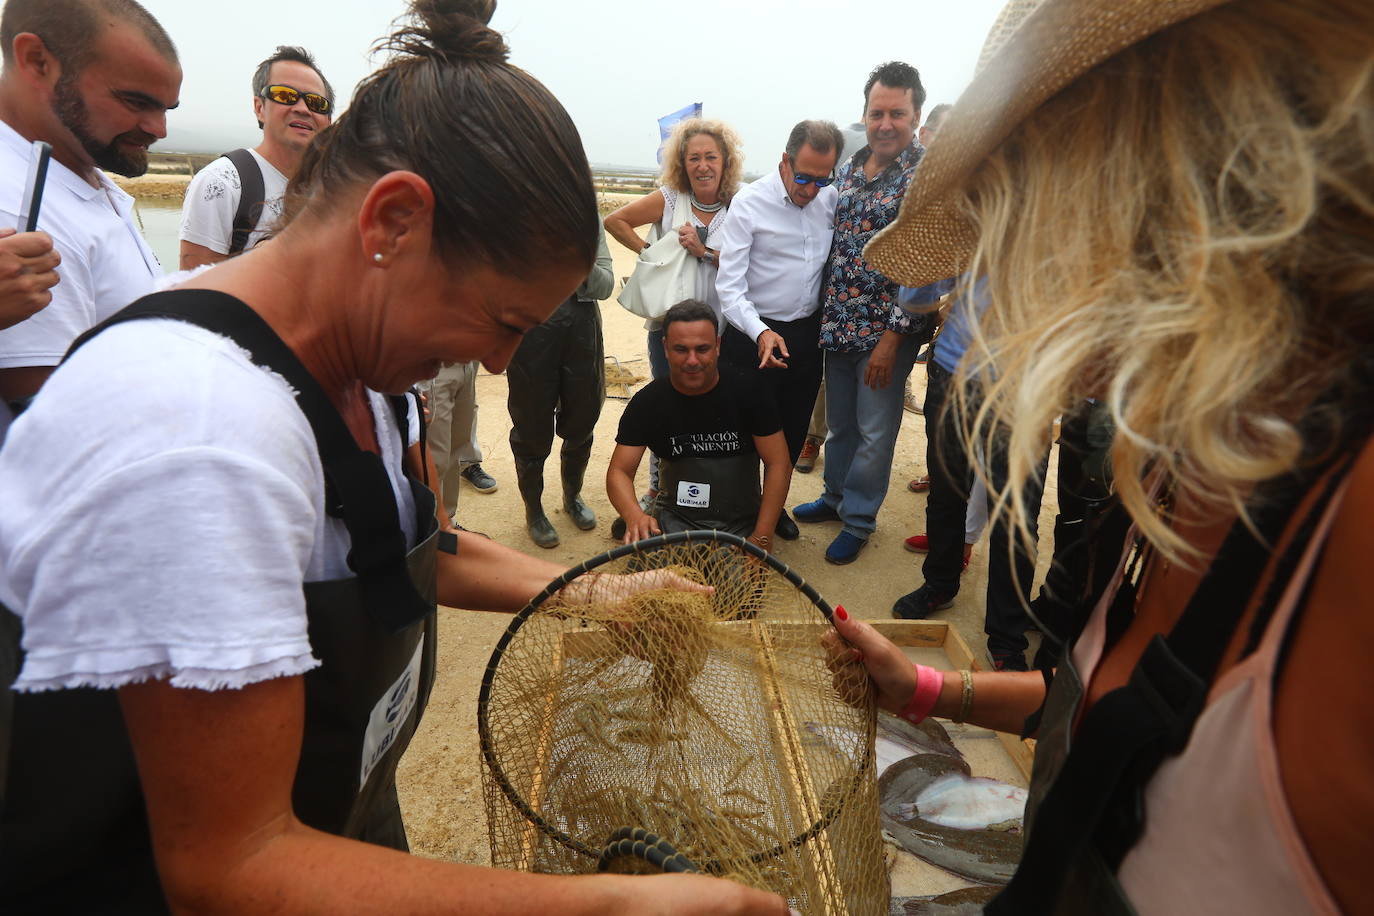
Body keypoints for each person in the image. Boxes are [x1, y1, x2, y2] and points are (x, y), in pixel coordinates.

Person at [0, 3, 787, 913]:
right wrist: (618, 904)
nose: (496, 364)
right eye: (501, 324)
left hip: (338, 812)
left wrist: (595, 589)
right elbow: (232, 864)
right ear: (395, 221)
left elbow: (401, 544)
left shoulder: (360, 364)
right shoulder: (201, 435)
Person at [842, 0, 1374, 911]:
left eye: (1032, 235)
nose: (1018, 298)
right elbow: (1094, 708)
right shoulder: (1175, 458)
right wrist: (929, 688)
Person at [0, 0, 178, 405]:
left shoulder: (74, 168)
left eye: (167, 108)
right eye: (136, 102)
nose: (159, 129)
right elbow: (53, 420)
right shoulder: (15, 203)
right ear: (36, 61)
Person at [794, 62, 932, 565]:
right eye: (878, 113)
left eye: (898, 113)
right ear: (866, 115)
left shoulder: (924, 177)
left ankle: (858, 520)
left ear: (915, 117)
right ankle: (834, 499)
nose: (886, 123)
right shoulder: (851, 167)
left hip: (886, 335)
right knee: (841, 427)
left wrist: (895, 339)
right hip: (838, 326)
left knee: (875, 433)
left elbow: (923, 264)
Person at [604, 118, 742, 520]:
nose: (703, 165)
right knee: (667, 408)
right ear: (682, 162)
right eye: (694, 157)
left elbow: (754, 260)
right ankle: (657, 487)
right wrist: (654, 252)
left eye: (711, 157)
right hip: (671, 331)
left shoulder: (740, 203)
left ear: (726, 161)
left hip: (724, 330)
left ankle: (713, 486)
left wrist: (705, 251)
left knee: (721, 409)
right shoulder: (669, 198)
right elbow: (615, 221)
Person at [715, 119, 844, 542]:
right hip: (750, 335)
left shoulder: (830, 200)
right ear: (784, 162)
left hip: (803, 338)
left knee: (789, 433)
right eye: (803, 177)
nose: (809, 190)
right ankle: (740, 510)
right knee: (742, 431)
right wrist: (760, 332)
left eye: (821, 180)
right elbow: (729, 288)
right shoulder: (750, 203)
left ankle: (774, 508)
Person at [607, 299, 790, 551]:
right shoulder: (648, 401)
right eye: (681, 349)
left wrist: (763, 534)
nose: (692, 360)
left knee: (734, 583)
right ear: (665, 348)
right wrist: (634, 515)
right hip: (673, 520)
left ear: (717, 346)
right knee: (652, 583)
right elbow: (619, 471)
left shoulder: (750, 391)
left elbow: (778, 463)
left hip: (740, 521)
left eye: (702, 349)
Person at [178, 46, 334, 268]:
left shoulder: (335, 188)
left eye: (316, 103)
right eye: (285, 96)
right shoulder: (221, 182)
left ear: (328, 120)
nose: (303, 108)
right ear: (260, 107)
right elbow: (194, 288)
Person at [507, 225, 613, 547]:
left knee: (583, 419)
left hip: (582, 327)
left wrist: (580, 261)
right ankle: (534, 511)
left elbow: (606, 284)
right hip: (531, 328)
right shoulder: (514, 213)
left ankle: (573, 497)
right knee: (531, 426)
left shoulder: (587, 218)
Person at [421, 359, 497, 525]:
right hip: (435, 364)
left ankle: (447, 523)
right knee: (435, 459)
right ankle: (432, 531)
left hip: (465, 363)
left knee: (456, 448)